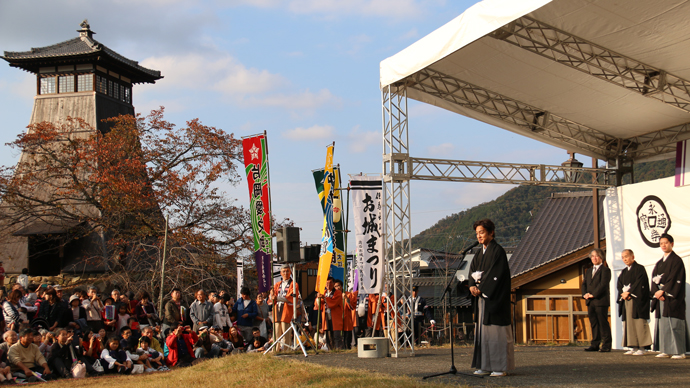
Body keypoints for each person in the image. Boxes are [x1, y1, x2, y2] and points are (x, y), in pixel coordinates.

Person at [468, 219, 514, 377]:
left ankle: (499, 367)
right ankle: (484, 365)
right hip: (482, 299)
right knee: (483, 335)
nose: (479, 236)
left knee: (496, 335)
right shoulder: (479, 252)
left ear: (491, 232)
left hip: (495, 299)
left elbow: (497, 275)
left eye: (481, 232)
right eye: (477, 234)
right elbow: (472, 270)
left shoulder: (498, 251)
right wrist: (471, 286)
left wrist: (481, 288)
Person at [651, 233, 689, 359]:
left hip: (672, 297)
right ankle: (665, 349)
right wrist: (656, 292)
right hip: (661, 296)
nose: (663, 245)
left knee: (675, 323)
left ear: (672, 244)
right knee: (663, 324)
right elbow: (654, 279)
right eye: (661, 243)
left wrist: (664, 291)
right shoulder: (659, 263)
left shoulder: (676, 261)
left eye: (666, 243)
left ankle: (679, 351)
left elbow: (675, 279)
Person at [617, 249, 652, 355]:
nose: (625, 259)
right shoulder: (624, 272)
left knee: (639, 323)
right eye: (623, 257)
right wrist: (622, 294)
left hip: (637, 300)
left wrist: (629, 292)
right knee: (629, 323)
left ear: (633, 257)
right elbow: (619, 285)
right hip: (626, 299)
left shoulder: (639, 269)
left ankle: (642, 347)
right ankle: (633, 346)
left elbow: (640, 283)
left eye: (626, 256)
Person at [582, 248, 612, 353]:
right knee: (593, 323)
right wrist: (584, 294)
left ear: (601, 257)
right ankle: (595, 344)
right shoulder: (589, 271)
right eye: (593, 256)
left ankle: (606, 345)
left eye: (597, 256)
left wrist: (593, 294)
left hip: (600, 300)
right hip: (590, 301)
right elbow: (584, 284)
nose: (594, 258)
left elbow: (603, 285)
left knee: (602, 323)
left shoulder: (605, 270)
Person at [270, 265, 299, 350]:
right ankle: (275, 349)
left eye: (287, 271)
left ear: (290, 272)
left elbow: (291, 297)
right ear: (280, 273)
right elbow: (272, 297)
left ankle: (287, 349)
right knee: (276, 332)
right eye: (284, 271)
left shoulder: (294, 284)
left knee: (286, 332)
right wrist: (272, 296)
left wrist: (277, 298)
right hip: (277, 308)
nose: (285, 273)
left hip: (286, 310)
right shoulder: (277, 284)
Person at [317, 277, 343, 350]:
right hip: (326, 316)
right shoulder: (324, 292)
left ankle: (338, 349)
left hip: (335, 317)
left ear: (333, 284)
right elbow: (318, 304)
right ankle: (330, 349)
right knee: (328, 335)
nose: (328, 285)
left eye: (330, 283)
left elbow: (334, 303)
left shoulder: (338, 293)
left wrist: (324, 298)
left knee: (336, 335)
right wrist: (318, 298)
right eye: (327, 283)